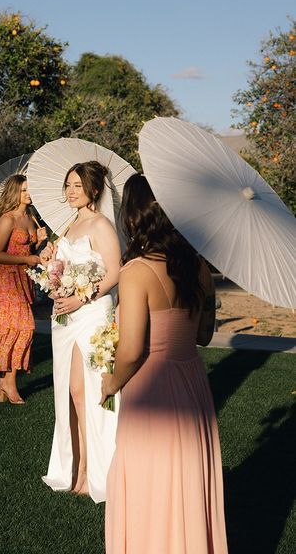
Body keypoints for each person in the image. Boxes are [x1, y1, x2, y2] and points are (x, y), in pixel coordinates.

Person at [101, 173, 228, 553]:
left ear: (135, 215)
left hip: (151, 387)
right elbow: (204, 336)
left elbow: (132, 350)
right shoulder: (198, 268)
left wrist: (111, 383)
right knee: (185, 476)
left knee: (149, 479)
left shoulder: (136, 272)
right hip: (190, 382)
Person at [40, 161, 121, 502]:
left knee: (88, 391)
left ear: (95, 190)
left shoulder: (101, 224)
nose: (70, 191)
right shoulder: (70, 225)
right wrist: (48, 264)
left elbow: (116, 272)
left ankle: (92, 471)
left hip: (91, 315)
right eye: (68, 185)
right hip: (66, 318)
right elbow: (62, 269)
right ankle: (74, 465)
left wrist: (80, 298)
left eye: (77, 186)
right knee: (71, 392)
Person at [0, 175, 47, 404]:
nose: (28, 193)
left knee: (18, 330)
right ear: (14, 193)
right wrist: (27, 257)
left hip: (23, 280)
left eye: (30, 189)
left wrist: (39, 241)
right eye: (23, 190)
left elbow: (30, 251)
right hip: (7, 280)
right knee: (20, 329)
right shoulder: (7, 219)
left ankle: (2, 383)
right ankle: (9, 383)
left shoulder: (31, 217)